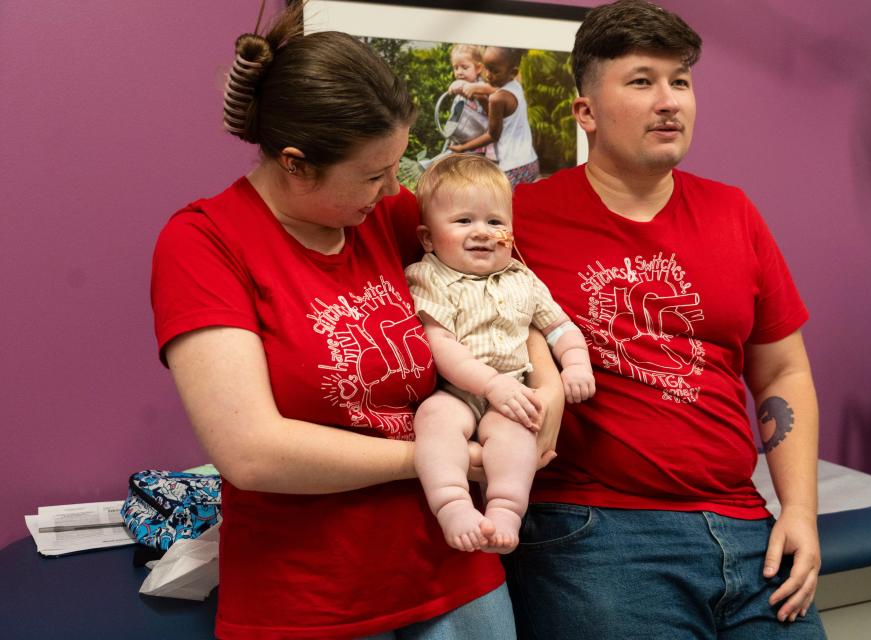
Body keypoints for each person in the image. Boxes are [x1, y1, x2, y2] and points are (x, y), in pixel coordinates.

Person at [150, 5, 563, 639]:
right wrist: (436, 456)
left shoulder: (385, 216)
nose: (389, 189)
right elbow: (253, 455)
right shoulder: (205, 243)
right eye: (372, 174)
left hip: (455, 568)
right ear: (294, 162)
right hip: (310, 598)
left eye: (394, 167)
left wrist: (543, 384)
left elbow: (502, 287)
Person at [502, 1, 826, 639]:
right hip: (596, 530)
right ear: (585, 112)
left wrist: (802, 511)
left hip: (745, 525)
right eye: (642, 81)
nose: (670, 100)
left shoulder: (734, 213)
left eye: (680, 80)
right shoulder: (517, 220)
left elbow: (783, 369)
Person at [406, 154, 595, 554]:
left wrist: (576, 361)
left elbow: (558, 326)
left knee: (518, 434)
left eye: (495, 222)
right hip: (457, 392)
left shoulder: (523, 278)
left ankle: (506, 510)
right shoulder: (431, 275)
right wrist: (489, 385)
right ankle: (453, 504)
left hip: (512, 390)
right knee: (433, 420)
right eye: (463, 221)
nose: (483, 232)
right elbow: (440, 343)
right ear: (427, 238)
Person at [448, 47, 539, 187]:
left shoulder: (497, 99)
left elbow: (492, 135)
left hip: (513, 167)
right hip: (530, 161)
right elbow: (497, 116)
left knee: (499, 204)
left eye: (495, 71)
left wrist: (463, 147)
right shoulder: (515, 86)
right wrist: (480, 97)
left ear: (513, 72)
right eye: (487, 69)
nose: (489, 75)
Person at [445, 44, 494, 160]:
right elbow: (455, 119)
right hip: (464, 143)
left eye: (464, 67)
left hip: (480, 147)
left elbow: (492, 115)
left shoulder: (482, 87)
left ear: (478, 68)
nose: (459, 72)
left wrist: (476, 94)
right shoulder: (459, 89)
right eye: (455, 68)